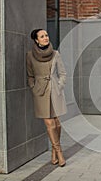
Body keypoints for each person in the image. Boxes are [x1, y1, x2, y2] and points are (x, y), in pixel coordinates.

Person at [26, 29, 67, 167]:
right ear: (36, 40)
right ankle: (59, 152)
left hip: (55, 90)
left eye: (46, 35)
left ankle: (54, 152)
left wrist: (60, 85)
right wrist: (33, 87)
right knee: (49, 123)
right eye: (42, 36)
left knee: (57, 123)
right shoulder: (30, 55)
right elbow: (30, 75)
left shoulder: (55, 54)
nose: (46, 38)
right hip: (40, 92)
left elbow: (62, 73)